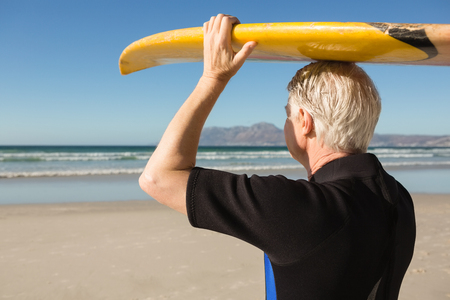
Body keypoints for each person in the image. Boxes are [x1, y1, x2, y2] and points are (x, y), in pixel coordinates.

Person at [139, 14, 416, 300]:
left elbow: (158, 178)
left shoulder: (299, 208)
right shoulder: (399, 198)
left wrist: (213, 77)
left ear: (304, 121)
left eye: (287, 115)